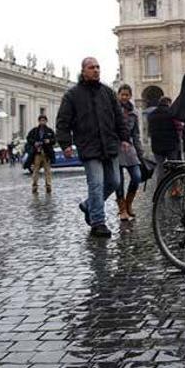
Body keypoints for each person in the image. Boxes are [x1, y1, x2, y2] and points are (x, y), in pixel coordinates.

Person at [56, 57, 131, 237]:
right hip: (89, 147)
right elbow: (63, 122)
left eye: (98, 67)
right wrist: (65, 144)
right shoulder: (72, 95)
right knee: (96, 184)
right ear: (83, 71)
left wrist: (124, 138)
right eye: (92, 67)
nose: (96, 70)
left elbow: (118, 118)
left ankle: (88, 205)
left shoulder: (108, 92)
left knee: (114, 181)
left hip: (110, 144)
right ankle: (98, 222)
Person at [115, 85, 143, 221]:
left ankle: (128, 203)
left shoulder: (134, 113)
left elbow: (136, 134)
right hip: (116, 147)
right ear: (118, 95)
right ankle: (122, 209)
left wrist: (140, 152)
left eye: (127, 95)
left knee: (137, 176)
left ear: (130, 96)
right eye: (122, 94)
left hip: (130, 148)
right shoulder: (113, 110)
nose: (125, 97)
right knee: (118, 180)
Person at [147, 96, 181, 183]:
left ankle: (160, 189)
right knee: (173, 167)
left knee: (160, 168)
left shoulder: (151, 115)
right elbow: (179, 127)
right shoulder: (172, 112)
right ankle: (175, 188)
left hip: (156, 146)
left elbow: (150, 130)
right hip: (171, 145)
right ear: (168, 103)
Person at [26, 115, 56, 194]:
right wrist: (34, 143)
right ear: (39, 121)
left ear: (46, 121)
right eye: (41, 120)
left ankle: (48, 186)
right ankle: (34, 186)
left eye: (44, 120)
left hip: (46, 154)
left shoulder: (50, 131)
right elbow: (28, 138)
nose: (42, 122)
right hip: (37, 153)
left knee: (47, 171)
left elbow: (54, 140)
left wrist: (49, 141)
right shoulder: (34, 130)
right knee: (35, 170)